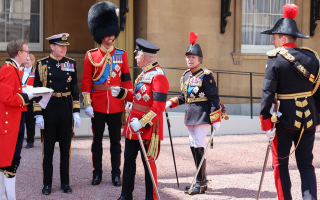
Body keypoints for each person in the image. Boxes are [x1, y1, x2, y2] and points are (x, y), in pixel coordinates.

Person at [259, 4, 320, 200]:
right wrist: (318, 115)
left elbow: (268, 92)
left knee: (281, 164)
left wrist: (266, 120)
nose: (272, 40)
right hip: (309, 119)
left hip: (285, 119)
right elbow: (318, 90)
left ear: (283, 39)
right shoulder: (312, 57)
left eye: (275, 37)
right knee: (306, 164)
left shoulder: (275, 59)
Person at [82, 1, 133, 187]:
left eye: (112, 33)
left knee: (116, 143)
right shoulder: (91, 55)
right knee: (97, 143)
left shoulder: (122, 54)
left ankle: (116, 174)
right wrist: (87, 104)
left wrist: (128, 99)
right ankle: (97, 173)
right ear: (100, 34)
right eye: (107, 34)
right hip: (98, 105)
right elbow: (86, 83)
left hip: (117, 104)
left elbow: (126, 80)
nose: (111, 37)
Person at [111, 38, 169, 200]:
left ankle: (151, 197)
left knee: (148, 164)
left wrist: (142, 122)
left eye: (137, 54)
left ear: (145, 56)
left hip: (147, 128)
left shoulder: (158, 76)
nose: (135, 57)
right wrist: (122, 93)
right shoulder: (144, 73)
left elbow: (158, 107)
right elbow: (138, 97)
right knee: (129, 161)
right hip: (133, 125)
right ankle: (126, 195)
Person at [165, 32, 221, 195]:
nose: (190, 60)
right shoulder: (186, 75)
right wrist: (170, 102)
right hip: (190, 115)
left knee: (199, 145)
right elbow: (184, 96)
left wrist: (216, 118)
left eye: (193, 57)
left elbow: (213, 98)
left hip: (203, 115)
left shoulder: (206, 75)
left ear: (200, 59)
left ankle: (201, 182)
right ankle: (199, 180)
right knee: (193, 146)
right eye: (188, 57)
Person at [33, 33, 81, 195]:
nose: (64, 49)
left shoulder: (71, 63)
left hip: (66, 106)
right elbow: (36, 92)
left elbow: (75, 89)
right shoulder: (42, 64)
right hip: (49, 106)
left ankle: (65, 183)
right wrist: (38, 114)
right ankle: (47, 184)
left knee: (65, 148)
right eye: (61, 46)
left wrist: (76, 112)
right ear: (52, 47)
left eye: (65, 46)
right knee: (48, 150)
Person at [0, 39, 35, 200]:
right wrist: (26, 97)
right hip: (10, 122)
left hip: (13, 119)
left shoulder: (13, 68)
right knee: (10, 163)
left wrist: (24, 92)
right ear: (19, 53)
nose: (28, 55)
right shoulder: (8, 69)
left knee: (6, 162)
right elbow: (6, 97)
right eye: (27, 51)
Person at [22, 53, 36, 148]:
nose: (26, 61)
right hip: (21, 99)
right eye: (25, 59)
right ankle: (19, 140)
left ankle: (30, 141)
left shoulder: (36, 72)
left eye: (28, 59)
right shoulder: (19, 71)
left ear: (32, 61)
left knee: (30, 121)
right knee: (20, 121)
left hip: (31, 99)